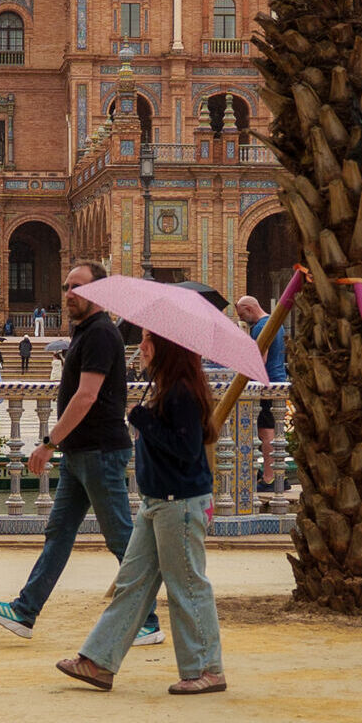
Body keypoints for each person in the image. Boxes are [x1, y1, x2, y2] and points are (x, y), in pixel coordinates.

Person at [0, 262, 162, 648]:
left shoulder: (100, 334)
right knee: (59, 533)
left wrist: (49, 442)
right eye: (66, 286)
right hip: (82, 453)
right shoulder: (85, 333)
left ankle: (147, 619)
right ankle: (25, 611)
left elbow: (86, 395)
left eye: (77, 287)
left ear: (99, 291)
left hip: (98, 451)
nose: (68, 293)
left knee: (120, 538)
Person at [54, 330, 226, 694]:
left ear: (169, 347)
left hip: (177, 503)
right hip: (156, 502)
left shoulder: (180, 393)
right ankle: (98, 661)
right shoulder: (166, 388)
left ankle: (207, 669)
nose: (142, 347)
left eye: (150, 341)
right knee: (132, 585)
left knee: (188, 586)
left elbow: (187, 447)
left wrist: (144, 422)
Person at [231, 295, 291, 491]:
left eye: (242, 314)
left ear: (249, 308)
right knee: (271, 431)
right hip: (278, 381)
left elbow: (260, 360)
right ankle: (277, 476)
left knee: (266, 432)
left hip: (266, 385)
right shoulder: (275, 323)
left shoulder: (259, 327)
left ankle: (269, 478)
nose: (242, 319)